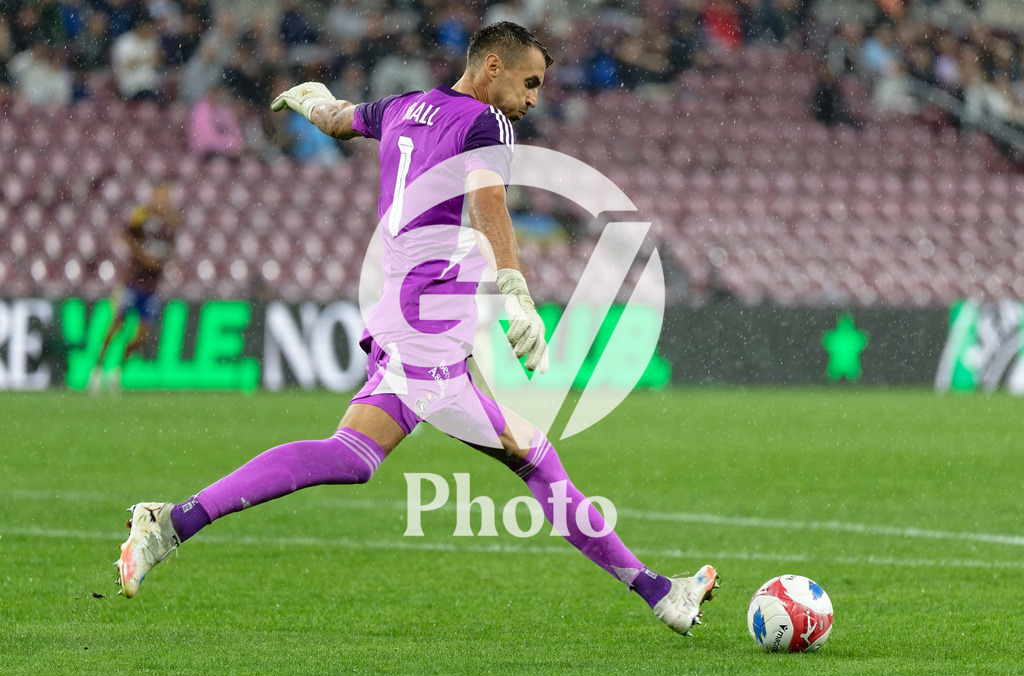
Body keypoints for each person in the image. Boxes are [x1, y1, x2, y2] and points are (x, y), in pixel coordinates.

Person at [114, 21, 717, 637]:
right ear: (491, 70)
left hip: (406, 313)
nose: (533, 98)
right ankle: (660, 595)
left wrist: (311, 99)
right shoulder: (488, 123)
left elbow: (339, 119)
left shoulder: (404, 106)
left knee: (356, 457)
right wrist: (515, 290)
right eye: (529, 82)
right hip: (425, 322)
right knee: (530, 457)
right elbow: (488, 201)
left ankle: (174, 522)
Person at [88, 183, 178, 394]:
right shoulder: (141, 215)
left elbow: (170, 248)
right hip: (132, 283)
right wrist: (142, 256)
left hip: (152, 287)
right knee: (116, 326)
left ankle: (116, 372)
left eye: (165, 196)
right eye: (160, 195)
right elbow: (125, 237)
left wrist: (164, 260)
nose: (162, 200)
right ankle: (97, 370)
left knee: (141, 337)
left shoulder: (171, 221)